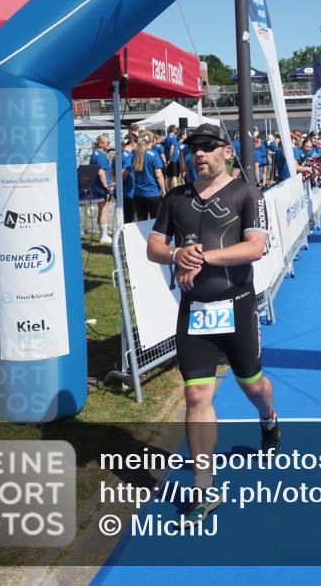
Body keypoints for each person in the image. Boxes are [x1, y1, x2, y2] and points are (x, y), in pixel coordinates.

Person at [146, 123, 277, 524]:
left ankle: (268, 419)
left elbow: (256, 246)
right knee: (197, 398)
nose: (198, 154)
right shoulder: (174, 198)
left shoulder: (246, 193)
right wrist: (174, 256)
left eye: (206, 147)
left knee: (252, 384)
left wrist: (200, 257)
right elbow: (154, 247)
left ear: (225, 151)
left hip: (236, 306)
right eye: (193, 149)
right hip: (195, 310)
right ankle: (205, 488)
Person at [131, 131, 166, 221]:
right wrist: (163, 189)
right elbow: (159, 175)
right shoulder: (153, 154)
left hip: (138, 193)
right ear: (153, 140)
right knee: (156, 222)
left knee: (141, 221)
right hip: (152, 193)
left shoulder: (135, 153)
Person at [89, 134, 115, 244]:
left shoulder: (94, 154)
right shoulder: (99, 155)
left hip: (97, 186)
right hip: (102, 187)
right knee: (104, 209)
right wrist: (106, 186)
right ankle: (104, 236)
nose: (109, 144)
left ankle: (102, 235)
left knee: (102, 209)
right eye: (107, 142)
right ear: (101, 144)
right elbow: (101, 172)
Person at [121, 133, 138, 224]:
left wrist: (116, 183)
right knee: (129, 218)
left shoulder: (119, 154)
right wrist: (119, 182)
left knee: (125, 215)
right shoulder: (129, 156)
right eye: (137, 143)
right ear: (132, 144)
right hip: (129, 191)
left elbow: (112, 172)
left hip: (122, 191)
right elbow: (126, 172)